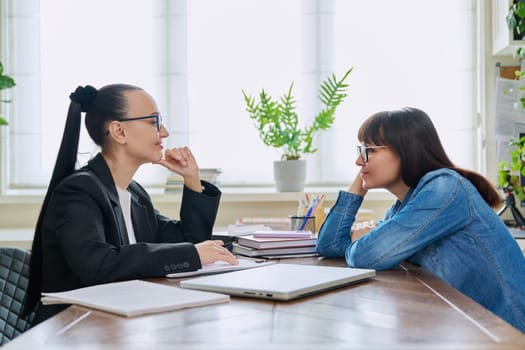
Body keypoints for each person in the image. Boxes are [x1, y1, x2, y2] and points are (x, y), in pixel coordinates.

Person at [24, 84, 238, 325]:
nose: (164, 132)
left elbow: (189, 239)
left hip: (118, 325)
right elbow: (97, 264)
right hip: (74, 329)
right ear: (119, 131)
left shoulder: (134, 193)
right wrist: (192, 253)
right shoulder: (78, 191)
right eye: (154, 122)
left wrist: (192, 180)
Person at [316, 107, 525, 332]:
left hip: (508, 332)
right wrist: (360, 186)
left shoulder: (445, 188)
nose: (358, 160)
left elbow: (364, 256)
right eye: (360, 150)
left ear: (405, 151)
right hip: (472, 328)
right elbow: (329, 246)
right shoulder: (403, 207)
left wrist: (366, 240)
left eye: (368, 150)